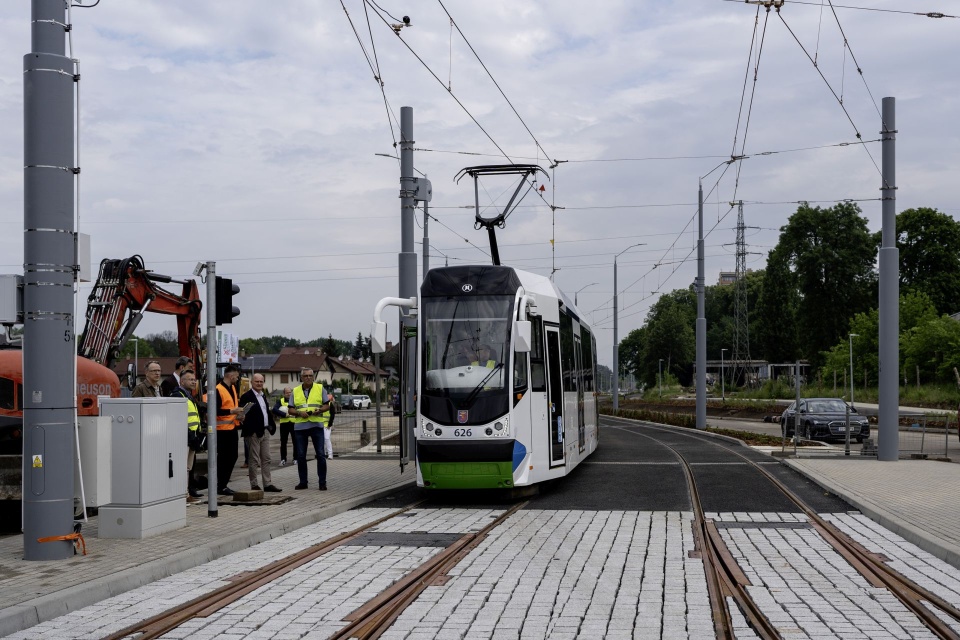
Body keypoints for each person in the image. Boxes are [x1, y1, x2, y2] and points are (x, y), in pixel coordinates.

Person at [289, 368, 330, 490]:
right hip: (300, 427)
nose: (308, 377)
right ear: (301, 377)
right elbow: (290, 409)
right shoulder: (295, 391)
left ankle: (322, 483)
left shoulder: (320, 388)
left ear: (313, 377)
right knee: (301, 456)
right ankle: (303, 482)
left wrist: (320, 410)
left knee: (321, 455)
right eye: (305, 376)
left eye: (310, 375)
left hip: (316, 425)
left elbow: (327, 405)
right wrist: (299, 413)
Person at [239, 374, 281, 492]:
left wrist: (271, 426)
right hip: (253, 433)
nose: (259, 383)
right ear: (251, 382)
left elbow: (266, 412)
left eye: (261, 381)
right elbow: (243, 414)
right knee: (254, 459)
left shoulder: (263, 396)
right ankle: (254, 484)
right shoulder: (246, 396)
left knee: (266, 458)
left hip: (265, 431)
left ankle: (267, 484)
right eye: (256, 381)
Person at [171, 370, 203, 502]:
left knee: (187, 468)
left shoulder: (188, 395)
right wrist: (189, 433)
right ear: (182, 381)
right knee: (182, 467)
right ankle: (181, 495)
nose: (194, 382)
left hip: (191, 436)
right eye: (190, 379)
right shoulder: (178, 395)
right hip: (184, 437)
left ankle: (186, 494)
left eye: (194, 379)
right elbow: (177, 418)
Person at [214, 364, 245, 496]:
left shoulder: (232, 388)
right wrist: (232, 411)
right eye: (236, 377)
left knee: (233, 456)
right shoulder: (218, 389)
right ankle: (220, 485)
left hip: (232, 427)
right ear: (231, 376)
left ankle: (223, 484)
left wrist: (239, 415)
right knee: (223, 458)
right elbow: (215, 410)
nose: (237, 379)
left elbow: (233, 406)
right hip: (221, 430)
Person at [272, 386, 296, 465]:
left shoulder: (295, 400)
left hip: (294, 423)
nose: (289, 394)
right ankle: (283, 459)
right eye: (287, 393)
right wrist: (284, 414)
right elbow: (274, 409)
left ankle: (295, 459)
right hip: (284, 424)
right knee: (283, 442)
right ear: (284, 393)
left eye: (290, 392)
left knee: (295, 442)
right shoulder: (280, 401)